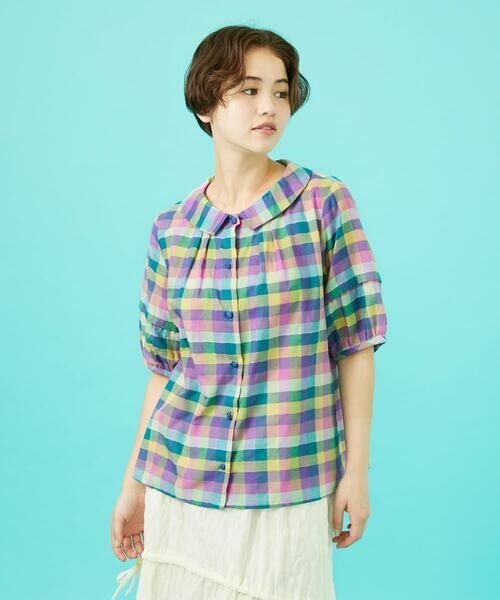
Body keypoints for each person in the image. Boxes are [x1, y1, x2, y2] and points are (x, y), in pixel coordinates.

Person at [109, 24, 388, 600]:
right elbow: (164, 370)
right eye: (249, 90)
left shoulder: (323, 205)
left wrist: (356, 473)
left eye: (280, 92)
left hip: (289, 478)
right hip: (180, 479)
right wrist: (133, 485)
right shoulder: (172, 229)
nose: (269, 107)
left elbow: (356, 345)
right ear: (206, 104)